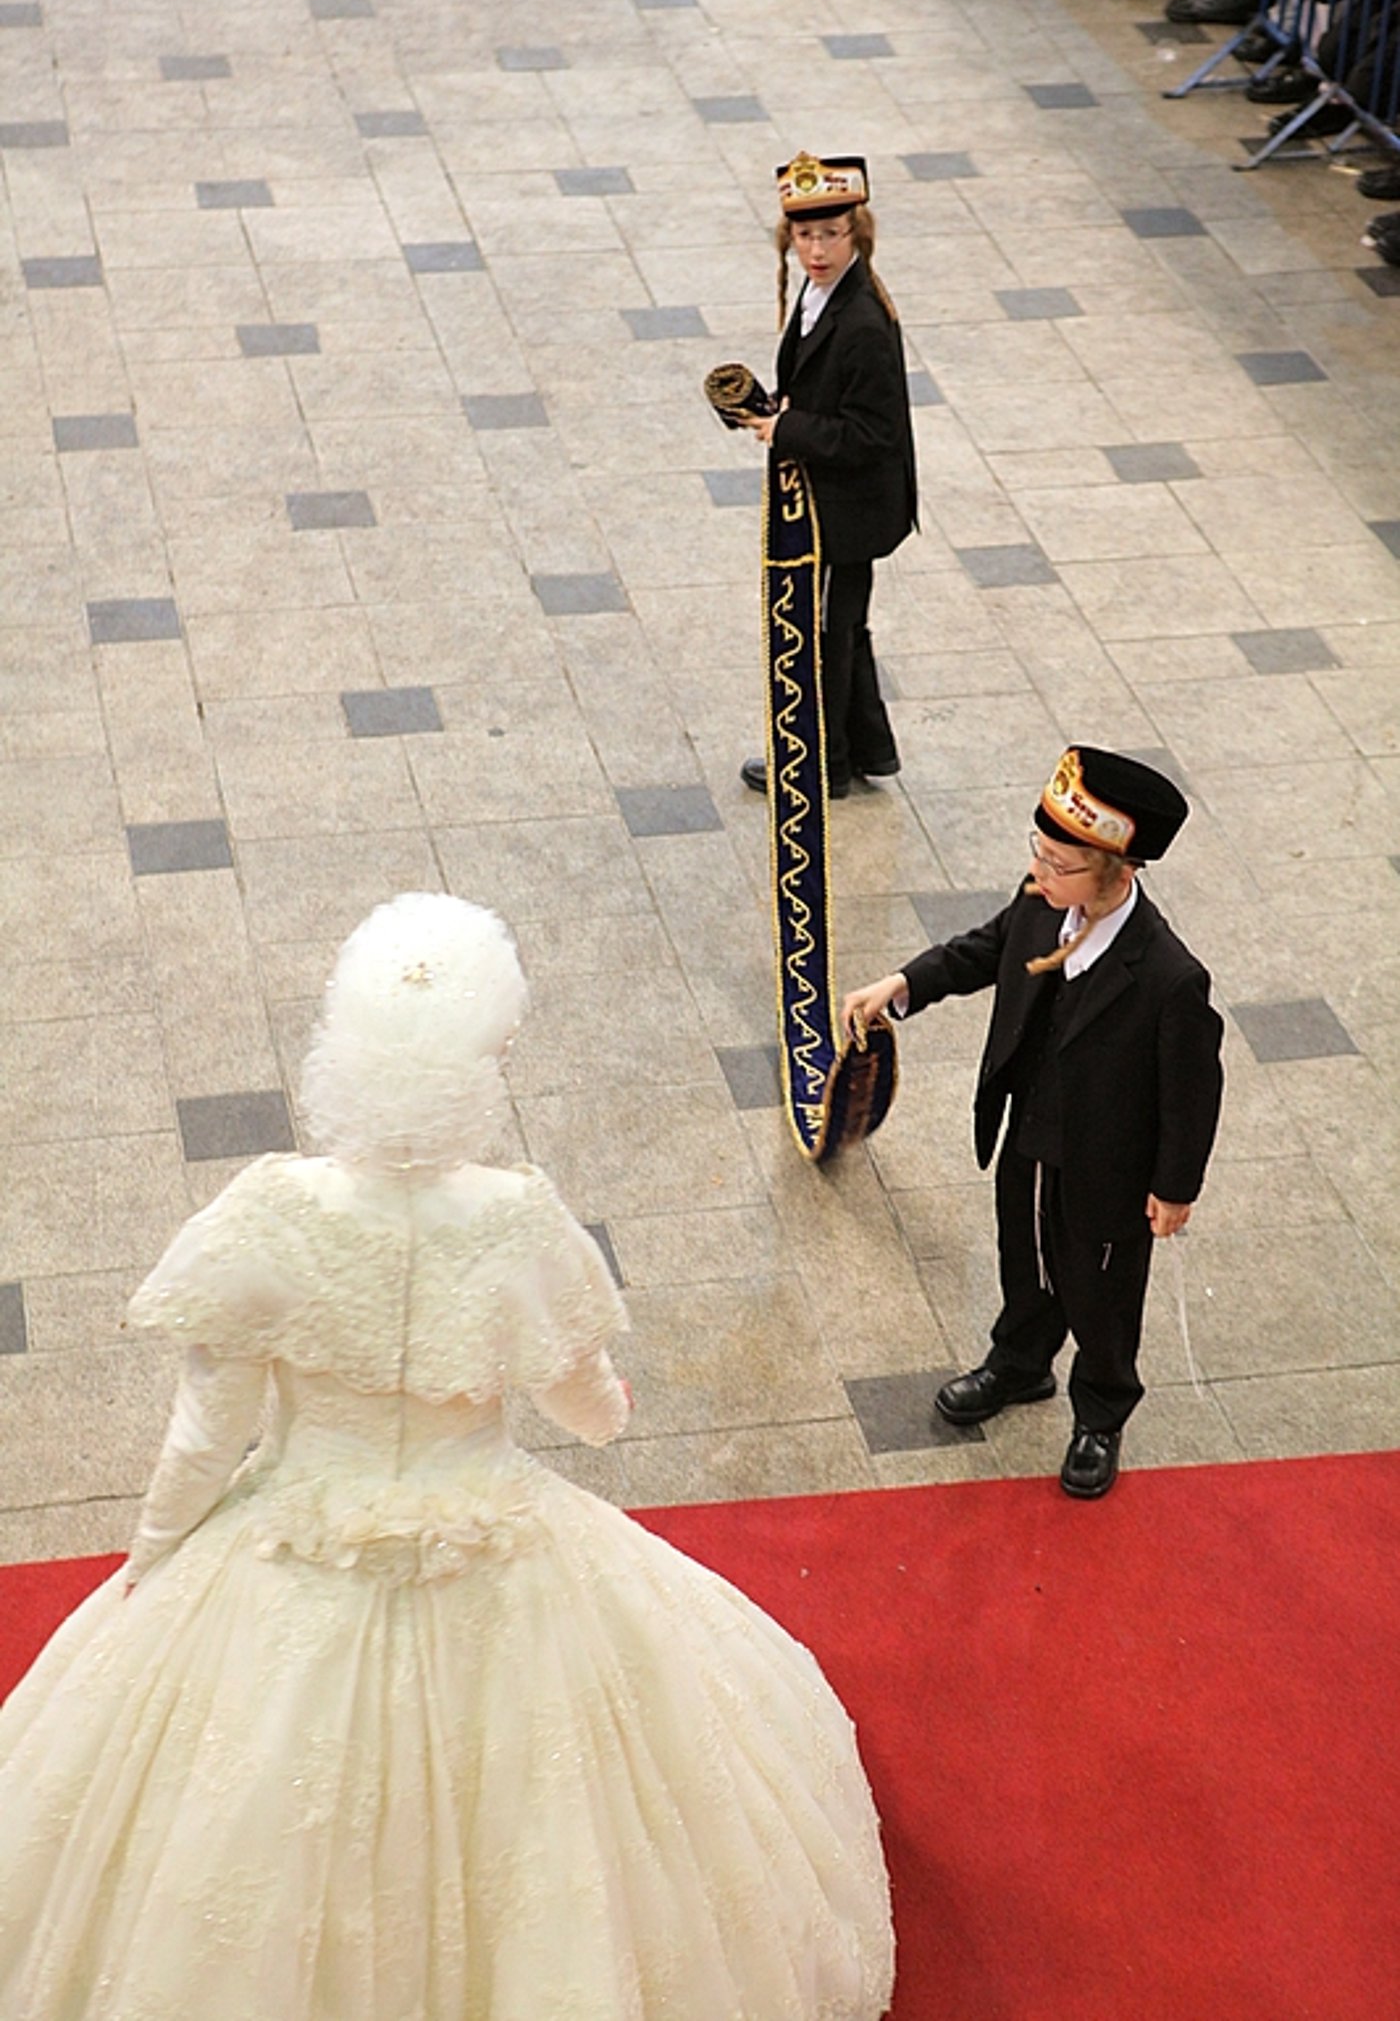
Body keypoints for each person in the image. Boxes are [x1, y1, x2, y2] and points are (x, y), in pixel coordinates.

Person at [0, 894, 895, 2021]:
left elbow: (205, 1430)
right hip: (490, 1536)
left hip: (295, 1535)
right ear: (481, 1060)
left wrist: (153, 1558)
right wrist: (602, 1398)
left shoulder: (272, 1209)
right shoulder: (515, 1217)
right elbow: (587, 1409)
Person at [841, 749, 1224, 1501]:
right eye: (1037, 851)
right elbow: (984, 950)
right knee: (1025, 1256)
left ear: (1119, 872)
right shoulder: (1042, 904)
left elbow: (1192, 1092)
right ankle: (1019, 1363)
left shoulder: (1169, 978)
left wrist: (1176, 1186)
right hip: (1029, 1135)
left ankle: (1101, 1412)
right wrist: (905, 983)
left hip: (1109, 1167)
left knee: (1101, 1293)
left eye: (1059, 863)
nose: (1038, 871)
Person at [738, 151, 917, 802]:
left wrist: (788, 429)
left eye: (831, 234)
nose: (816, 249)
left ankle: (820, 766)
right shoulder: (825, 295)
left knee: (823, 634)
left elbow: (873, 434)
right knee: (840, 626)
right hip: (835, 502)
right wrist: (779, 410)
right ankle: (865, 748)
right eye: (804, 234)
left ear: (856, 234)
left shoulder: (862, 321)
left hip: (849, 511)